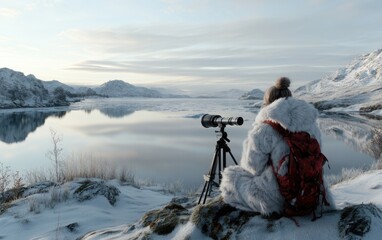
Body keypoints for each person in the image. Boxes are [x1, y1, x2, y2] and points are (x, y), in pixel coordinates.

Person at [219, 77, 335, 216]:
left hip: (276, 200)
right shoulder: (311, 125)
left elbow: (252, 168)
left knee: (231, 175)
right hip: (312, 193)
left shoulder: (264, 129)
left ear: (267, 103)